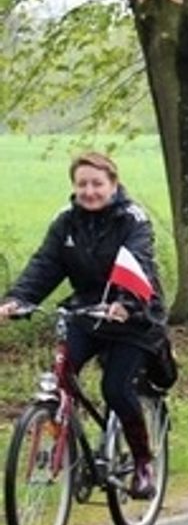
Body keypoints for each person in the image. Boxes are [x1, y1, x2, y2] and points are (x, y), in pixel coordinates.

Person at [0, 152, 169, 498]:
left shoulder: (133, 220)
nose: (90, 191)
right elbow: (45, 265)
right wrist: (17, 299)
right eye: (82, 185)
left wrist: (125, 303)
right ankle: (67, 442)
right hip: (85, 313)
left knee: (115, 389)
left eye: (97, 184)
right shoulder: (66, 221)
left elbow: (140, 263)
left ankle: (142, 463)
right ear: (74, 187)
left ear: (113, 184)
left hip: (133, 318)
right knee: (62, 375)